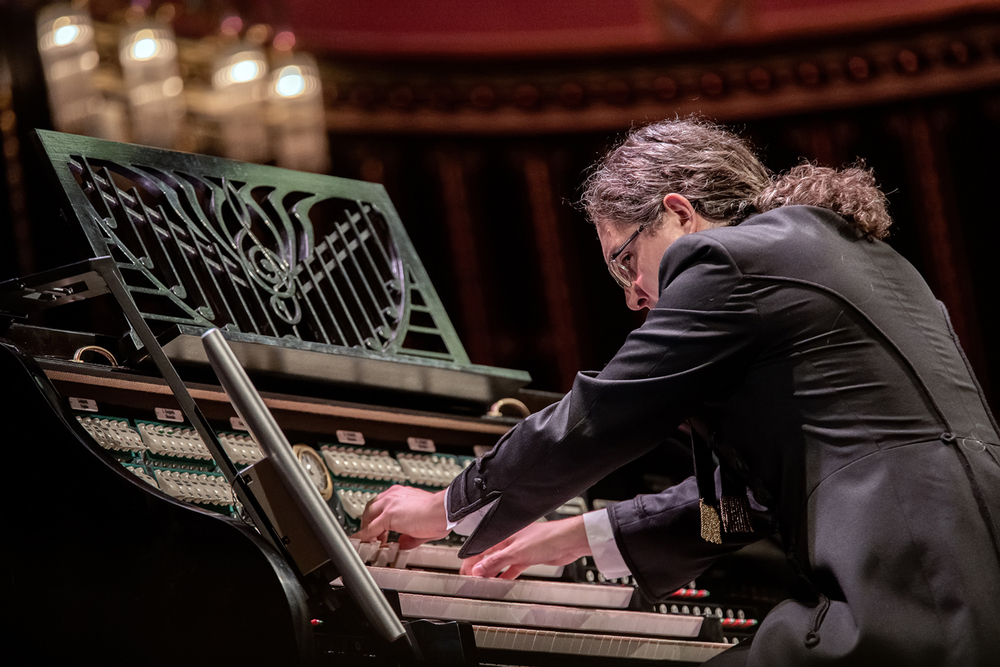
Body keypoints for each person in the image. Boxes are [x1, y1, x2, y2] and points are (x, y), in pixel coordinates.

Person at [354, 117, 1000, 666]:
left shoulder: (730, 261)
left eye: (625, 261)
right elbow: (753, 506)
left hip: (912, 596)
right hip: (958, 582)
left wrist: (446, 505)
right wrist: (578, 534)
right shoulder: (846, 254)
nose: (634, 296)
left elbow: (604, 412)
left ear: (678, 211)